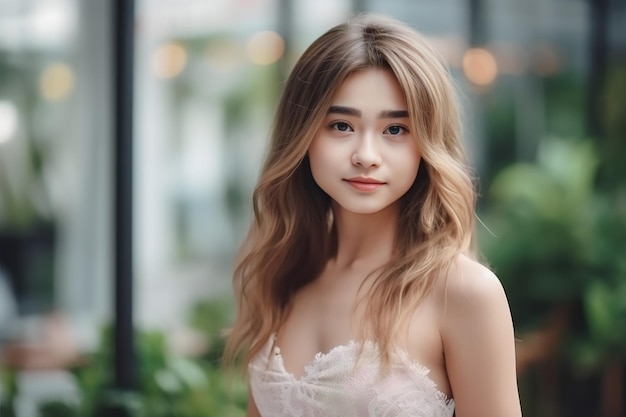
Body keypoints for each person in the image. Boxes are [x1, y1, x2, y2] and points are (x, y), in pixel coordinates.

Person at [223, 13, 522, 417]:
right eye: (341, 125)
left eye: (395, 130)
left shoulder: (464, 293)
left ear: (427, 143)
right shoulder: (285, 273)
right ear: (304, 135)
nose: (366, 155)